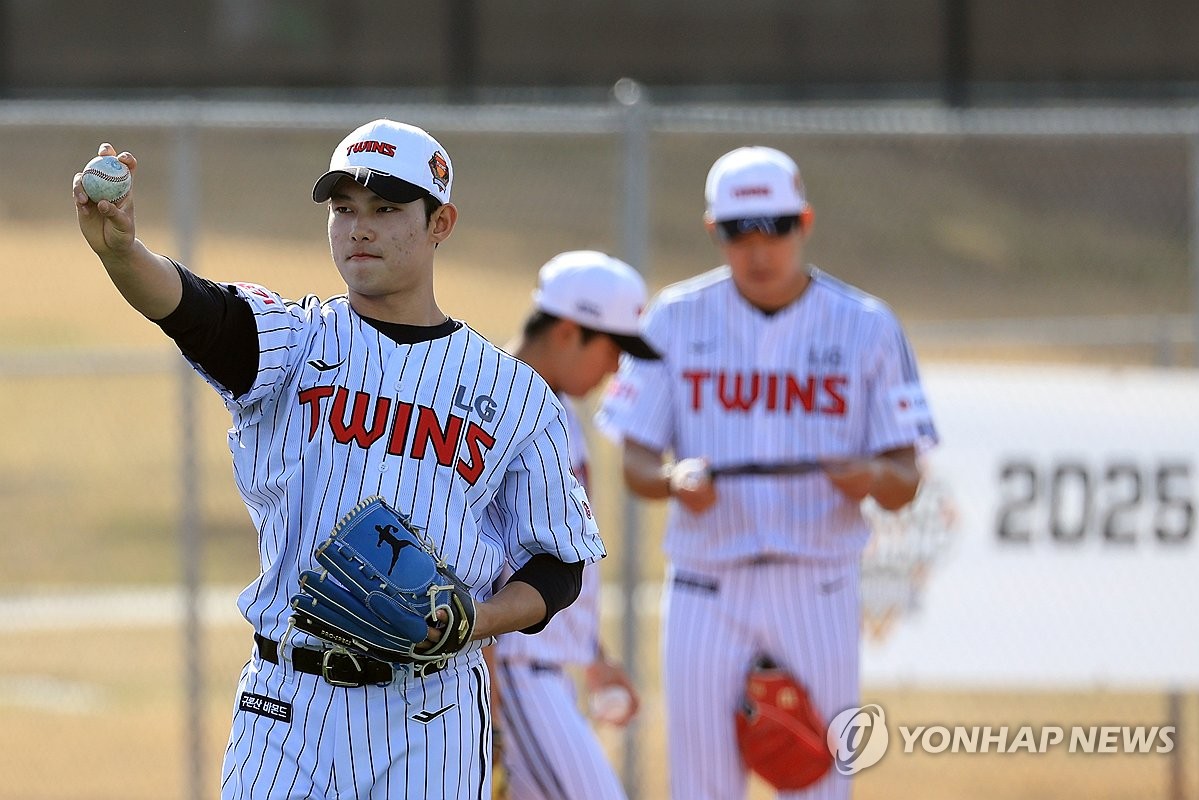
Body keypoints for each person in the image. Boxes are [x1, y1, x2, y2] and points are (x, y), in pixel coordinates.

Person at [73, 119, 607, 800]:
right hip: (285, 707)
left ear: (440, 222)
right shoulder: (294, 345)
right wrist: (122, 255)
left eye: (386, 210)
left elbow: (558, 563)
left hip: (430, 715)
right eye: (344, 209)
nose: (360, 228)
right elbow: (196, 309)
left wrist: (476, 622)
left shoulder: (512, 392)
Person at [596, 145, 939, 800]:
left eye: (775, 226)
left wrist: (868, 474)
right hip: (705, 584)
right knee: (701, 787)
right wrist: (670, 481)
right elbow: (634, 458)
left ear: (804, 222)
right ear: (713, 232)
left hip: (817, 584)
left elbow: (905, 480)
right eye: (738, 230)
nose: (758, 247)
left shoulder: (866, 325)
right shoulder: (673, 317)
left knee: (815, 778)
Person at [491, 251, 657, 800]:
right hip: (514, 666)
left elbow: (561, 555)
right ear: (567, 331)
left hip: (544, 665)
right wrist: (488, 689)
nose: (616, 370)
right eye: (613, 349)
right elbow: (473, 559)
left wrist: (595, 657)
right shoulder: (499, 406)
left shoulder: (553, 408)